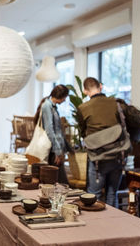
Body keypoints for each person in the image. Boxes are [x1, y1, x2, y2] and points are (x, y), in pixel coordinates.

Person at [78, 77, 125, 206]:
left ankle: (96, 226)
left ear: (85, 91)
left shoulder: (83, 108)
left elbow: (83, 133)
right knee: (112, 194)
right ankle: (112, 225)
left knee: (94, 196)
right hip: (117, 155)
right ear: (101, 86)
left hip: (98, 157)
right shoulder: (115, 103)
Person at [34, 84, 71, 184]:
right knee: (61, 182)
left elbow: (57, 130)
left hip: (55, 148)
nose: (64, 100)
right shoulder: (47, 106)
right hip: (52, 149)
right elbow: (49, 130)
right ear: (60, 96)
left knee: (56, 180)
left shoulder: (52, 106)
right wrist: (57, 151)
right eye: (65, 97)